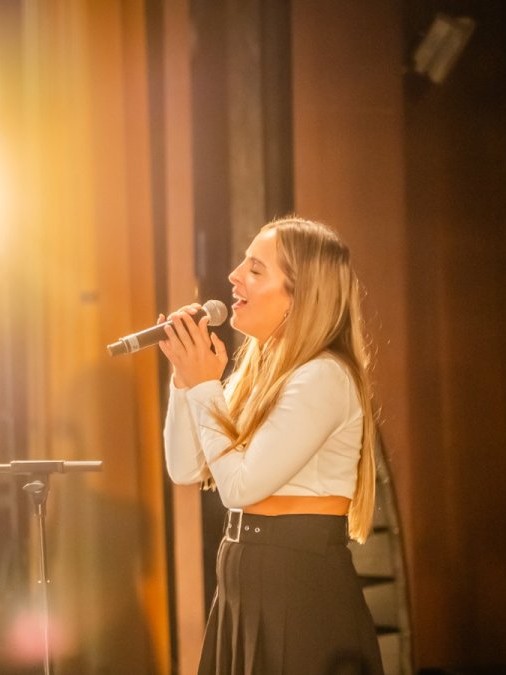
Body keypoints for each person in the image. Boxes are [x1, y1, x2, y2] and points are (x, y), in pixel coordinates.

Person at [159, 217, 383, 673]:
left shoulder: (323, 376)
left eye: (255, 269)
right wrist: (184, 382)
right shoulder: (261, 375)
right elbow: (184, 468)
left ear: (300, 295)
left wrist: (204, 387)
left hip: (298, 586)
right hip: (245, 577)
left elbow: (240, 488)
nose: (234, 276)